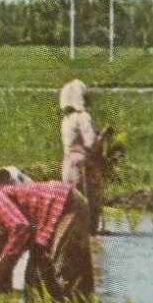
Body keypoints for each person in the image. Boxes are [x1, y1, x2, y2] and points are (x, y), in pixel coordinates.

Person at [0, 169, 94, 303]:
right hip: (45, 225)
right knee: (36, 284)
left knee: (68, 276)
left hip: (64, 204)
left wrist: (2, 264)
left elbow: (21, 228)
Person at [58, 79, 106, 229]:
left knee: (74, 200)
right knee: (90, 199)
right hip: (85, 165)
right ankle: (91, 233)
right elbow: (91, 143)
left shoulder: (66, 120)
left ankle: (74, 231)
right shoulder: (83, 117)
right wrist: (102, 139)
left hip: (68, 165)